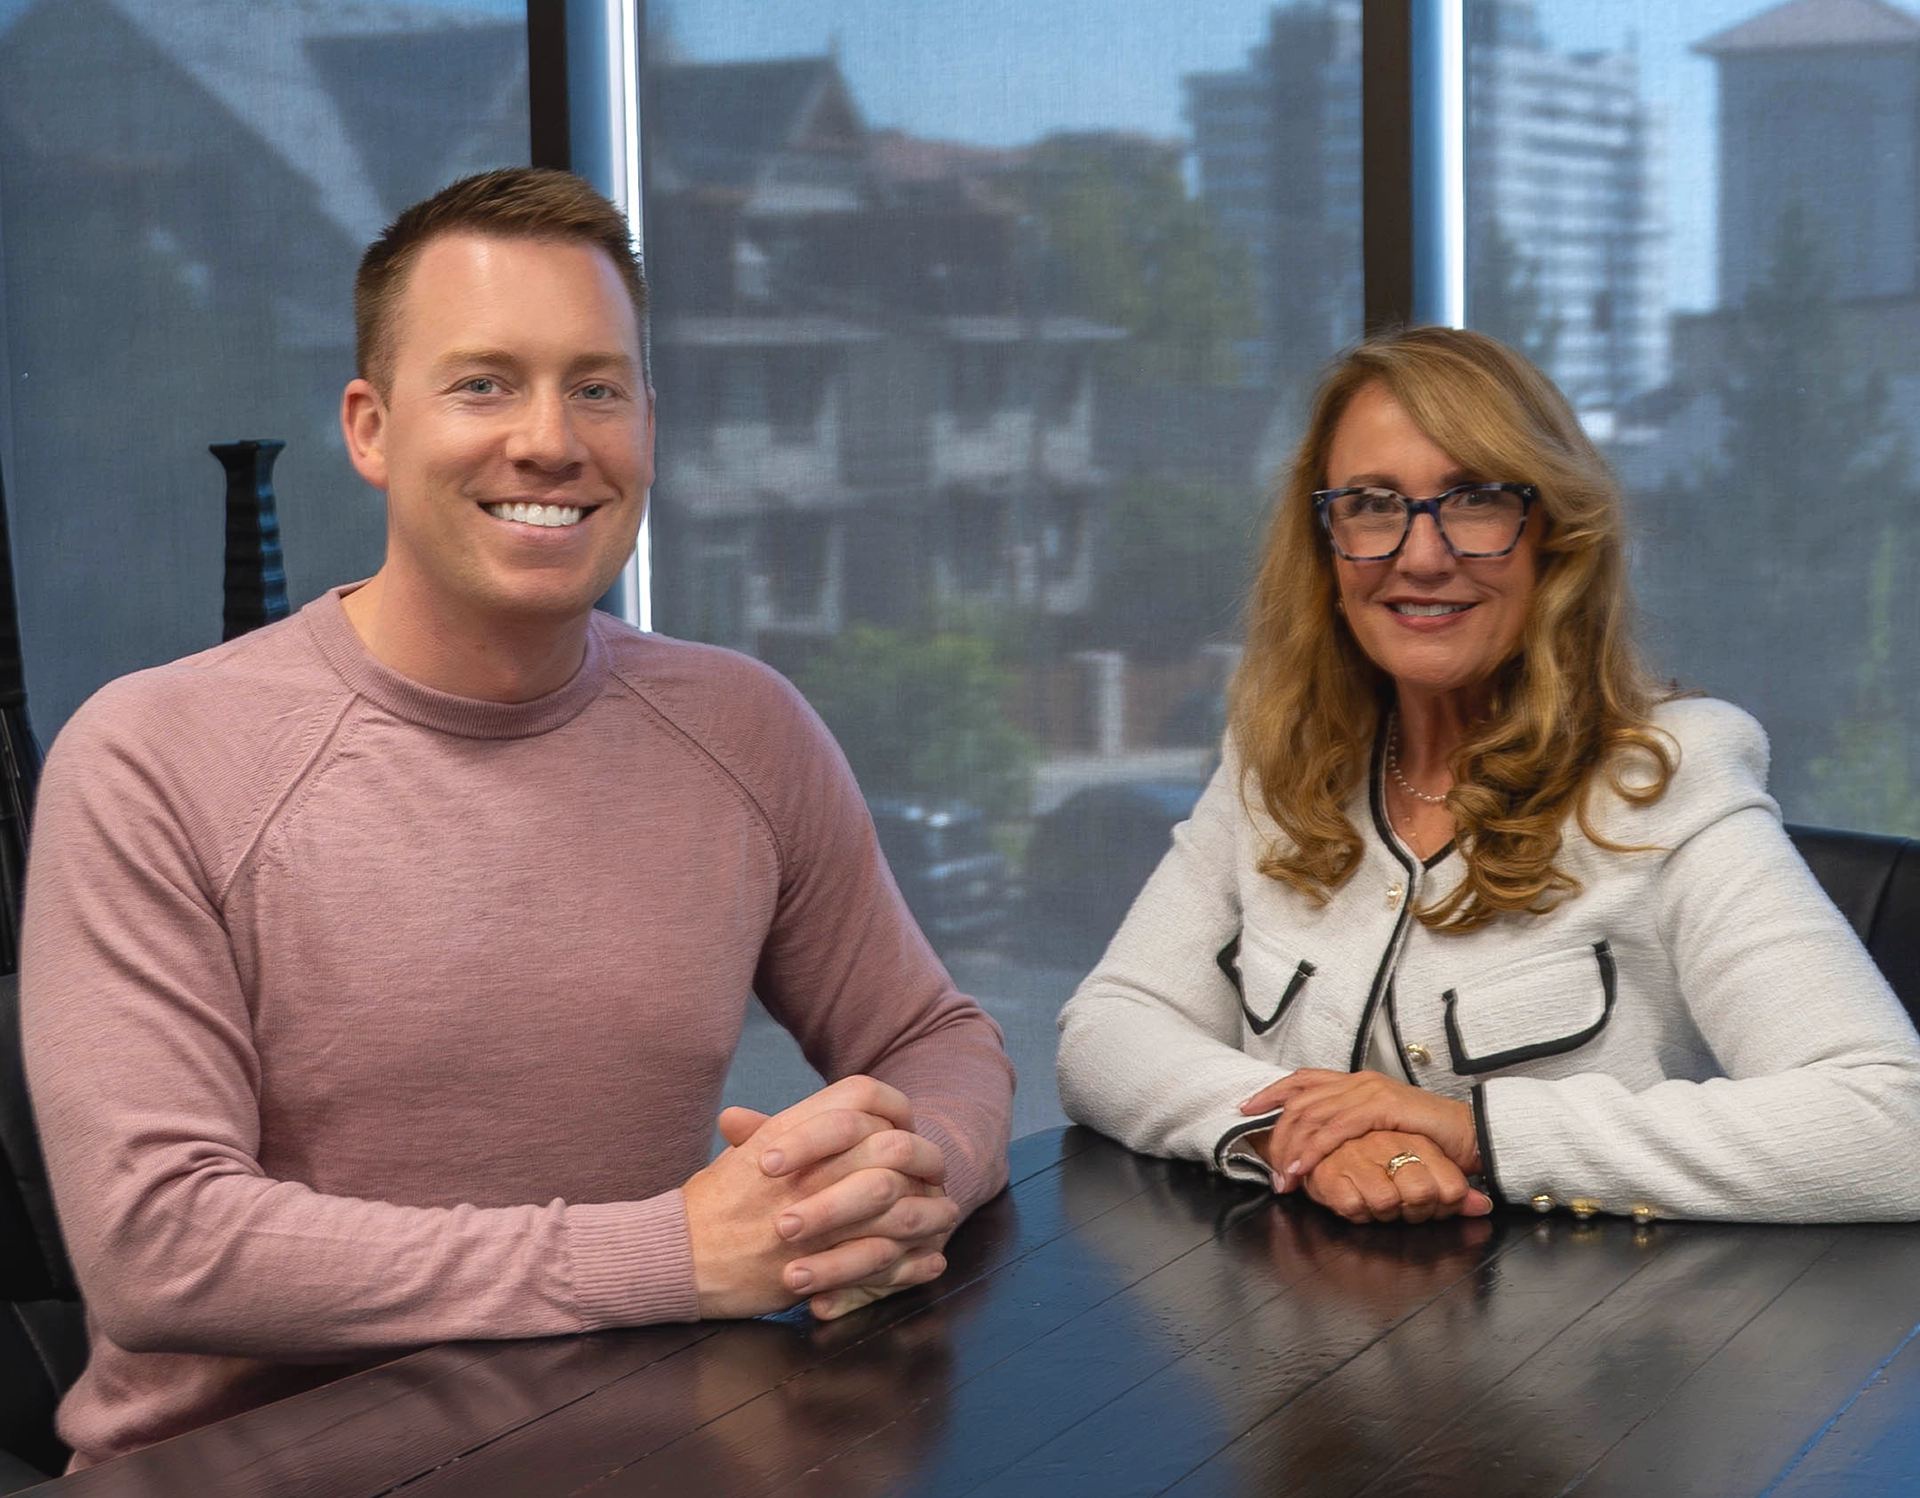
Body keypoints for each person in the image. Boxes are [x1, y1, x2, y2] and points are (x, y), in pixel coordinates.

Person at [20, 167, 1013, 1469]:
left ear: (648, 423)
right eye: (484, 382)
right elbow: (163, 1247)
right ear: (371, 427)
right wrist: (675, 1251)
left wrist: (897, 1184)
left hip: (625, 1445)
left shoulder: (744, 727)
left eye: (596, 386)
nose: (551, 439)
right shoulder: (151, 754)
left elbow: (935, 1033)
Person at [1056, 325, 1920, 1228]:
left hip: (1586, 1346)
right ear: (1326, 544)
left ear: (1554, 536)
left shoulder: (1667, 781)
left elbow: (1889, 1124)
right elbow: (1109, 1029)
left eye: (1473, 499)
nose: (1421, 555)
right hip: (1296, 1344)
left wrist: (1473, 1131)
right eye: (1373, 504)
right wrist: (1303, 1134)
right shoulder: (1278, 766)